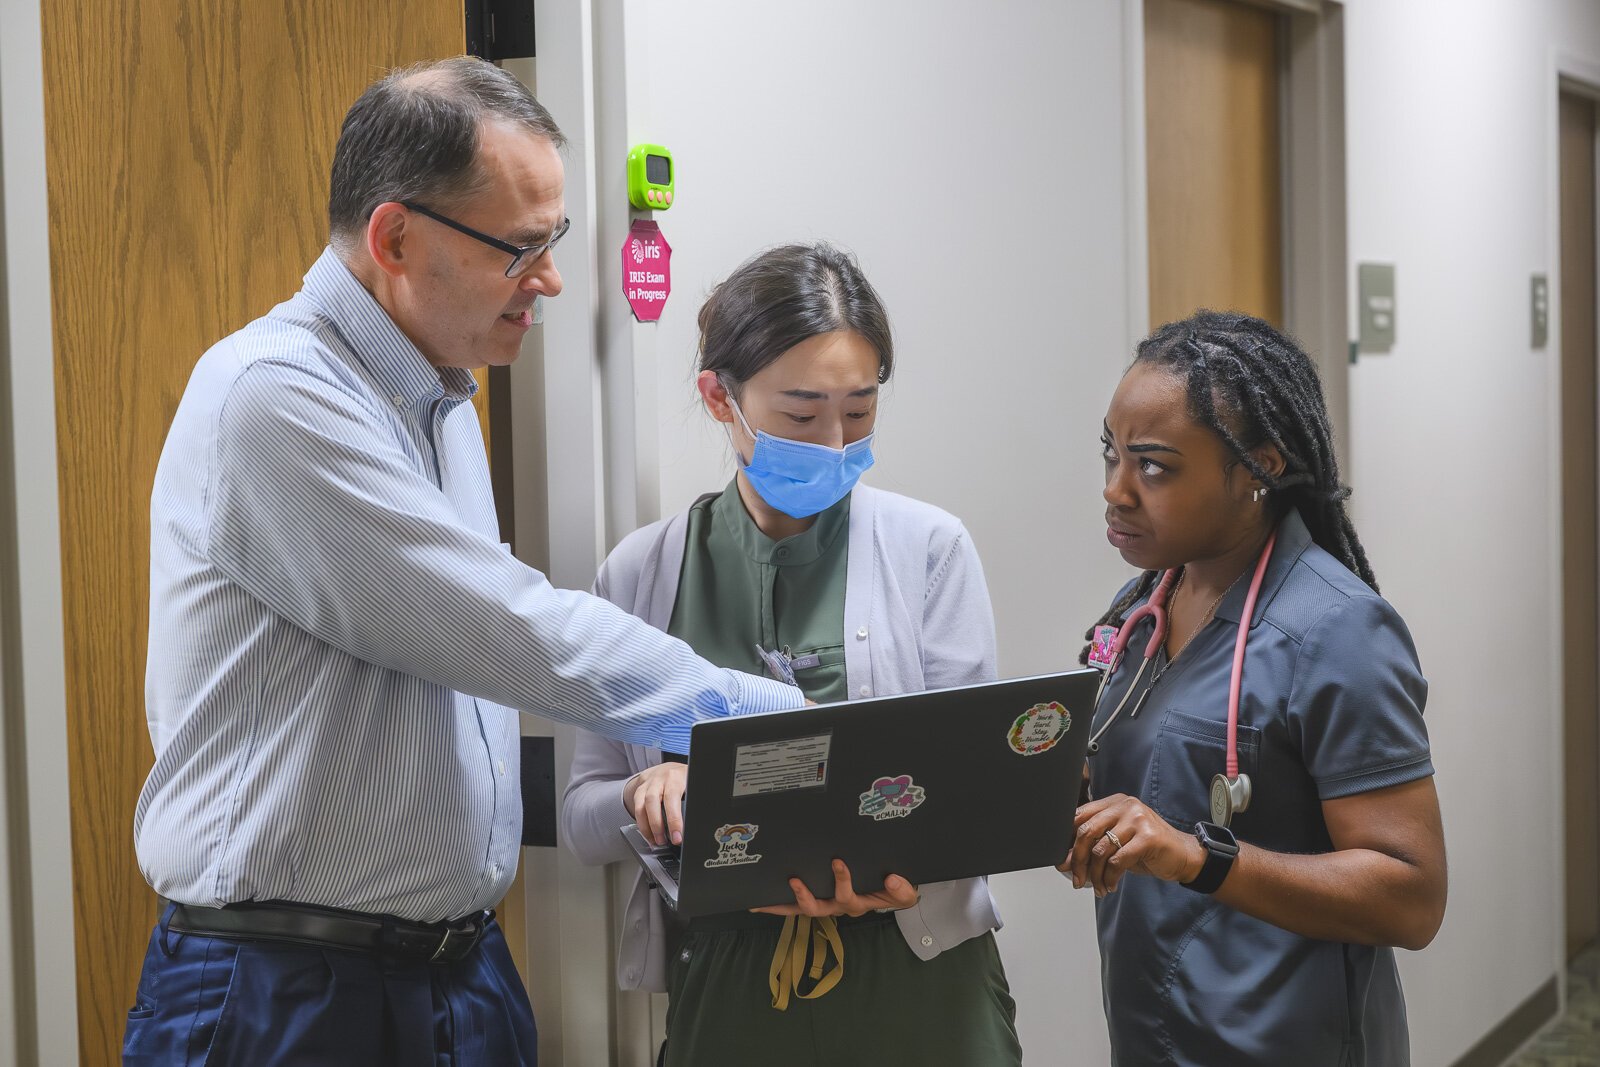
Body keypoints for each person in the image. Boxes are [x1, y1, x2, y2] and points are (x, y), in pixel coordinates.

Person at [125, 58, 804, 1066]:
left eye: (554, 240)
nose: (551, 279)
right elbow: (511, 631)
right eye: (522, 248)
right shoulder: (274, 396)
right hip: (286, 986)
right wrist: (779, 720)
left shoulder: (439, 401)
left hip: (458, 973)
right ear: (396, 237)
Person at [561, 243, 1022, 1065]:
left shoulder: (929, 549)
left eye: (860, 411)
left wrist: (903, 861)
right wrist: (643, 791)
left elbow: (977, 789)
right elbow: (580, 821)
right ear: (720, 397)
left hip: (917, 979)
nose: (835, 444)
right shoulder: (638, 574)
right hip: (730, 987)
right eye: (803, 417)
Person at [1062, 309, 1447, 1065]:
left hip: (1289, 1044)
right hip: (1155, 1037)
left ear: (1259, 468)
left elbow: (1412, 896)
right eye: (1112, 455)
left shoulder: (1337, 630)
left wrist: (1196, 856)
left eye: (1154, 466)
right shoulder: (1139, 612)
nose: (1116, 491)